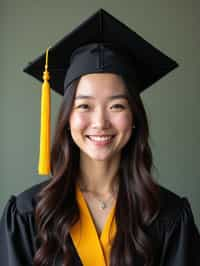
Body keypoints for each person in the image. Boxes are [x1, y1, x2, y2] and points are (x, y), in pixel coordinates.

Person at [0, 8, 199, 266]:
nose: (100, 122)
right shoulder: (28, 215)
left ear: (134, 117)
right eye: (84, 106)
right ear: (67, 118)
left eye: (116, 106)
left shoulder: (169, 217)